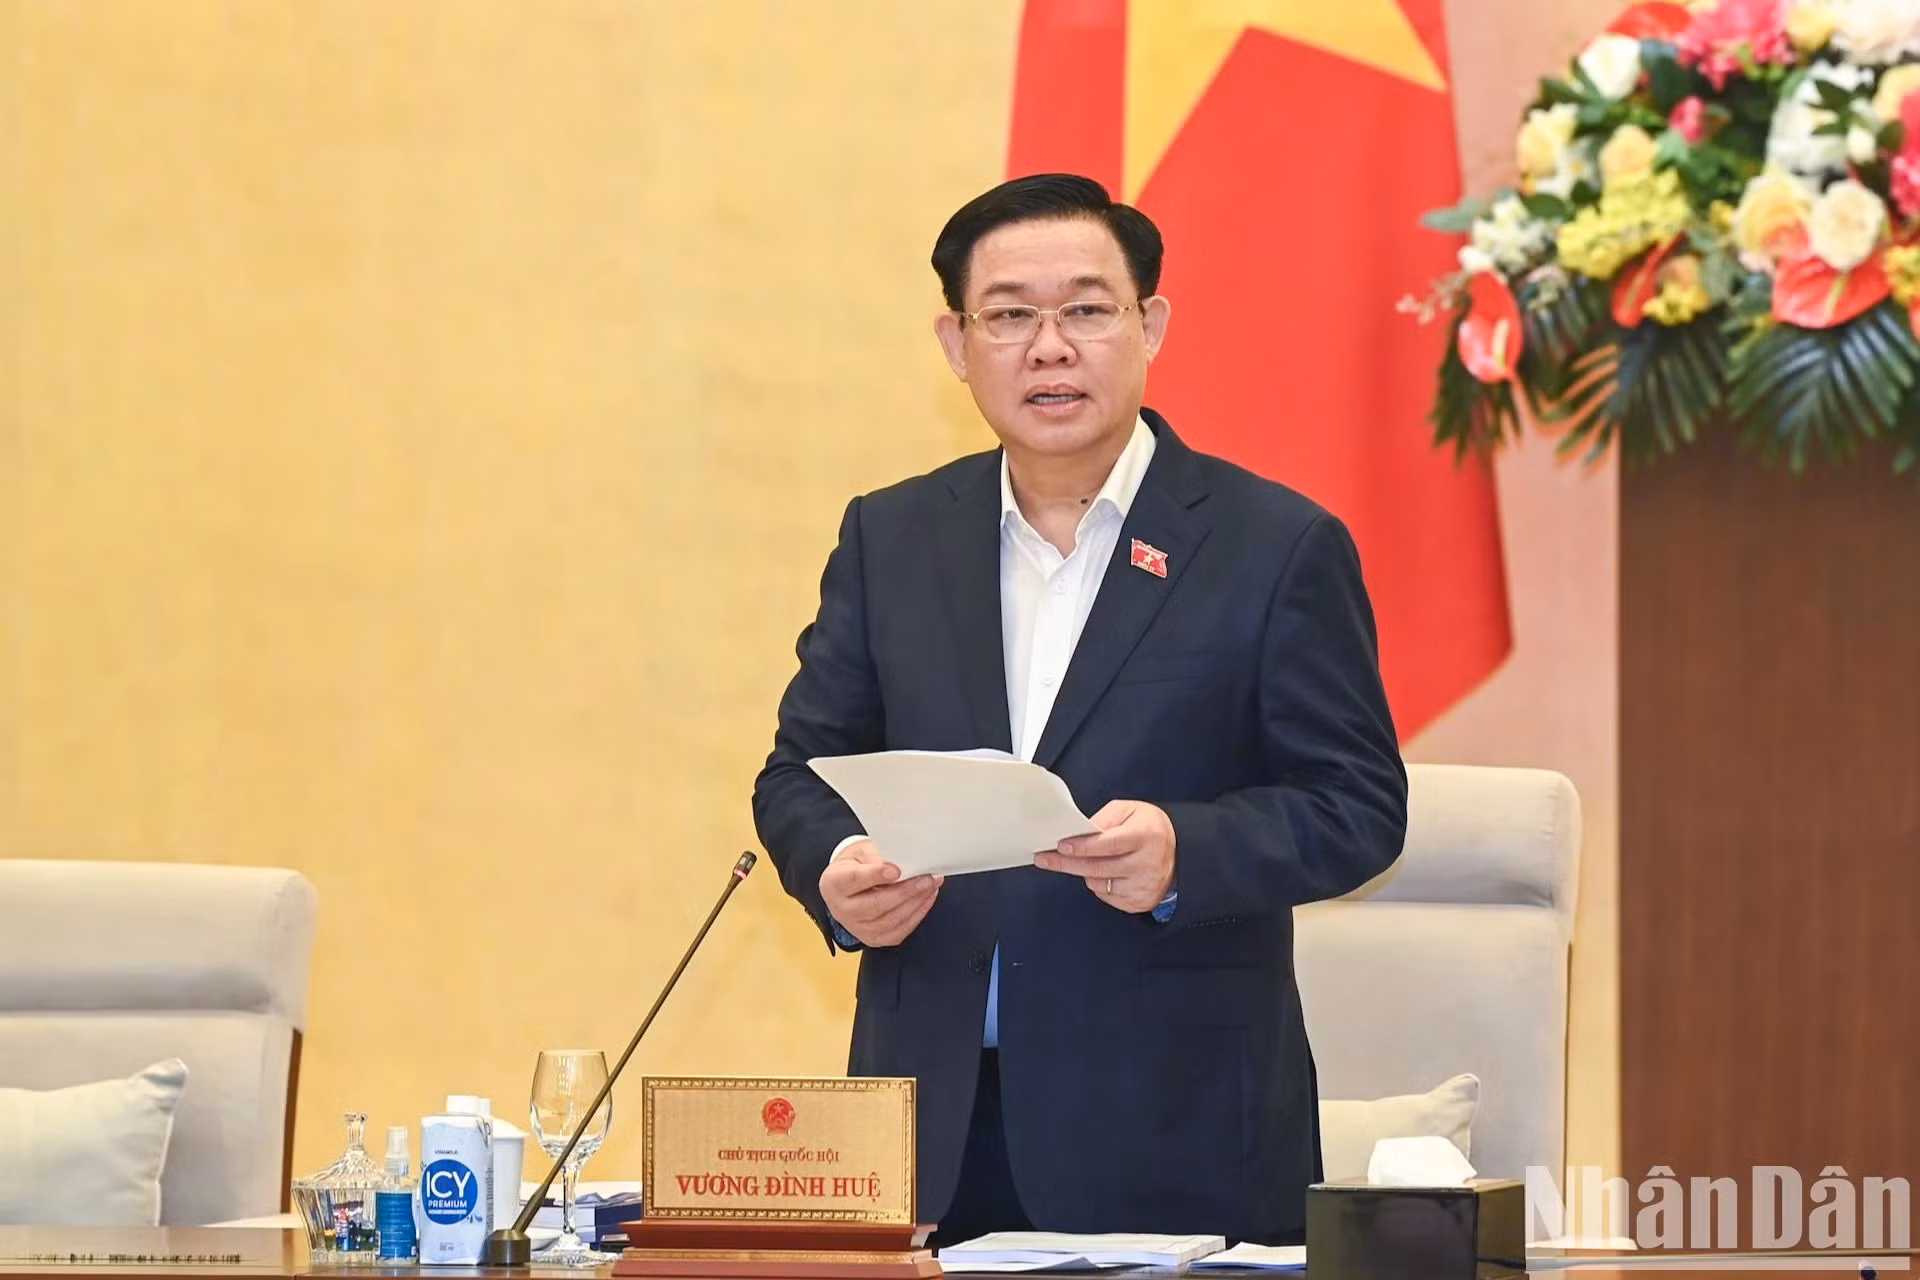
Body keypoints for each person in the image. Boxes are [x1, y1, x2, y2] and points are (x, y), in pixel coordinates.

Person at [751, 173, 1408, 1247]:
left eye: (1087, 310)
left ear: (1149, 324)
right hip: (932, 1133)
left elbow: (1358, 805)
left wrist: (1185, 849)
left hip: (1178, 1130)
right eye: (1009, 314)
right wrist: (835, 871)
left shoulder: (1274, 545)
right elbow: (798, 773)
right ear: (957, 345)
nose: (1048, 347)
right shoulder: (893, 538)